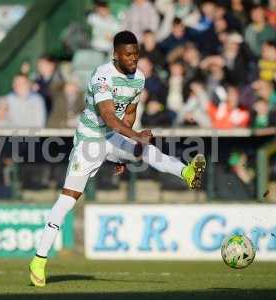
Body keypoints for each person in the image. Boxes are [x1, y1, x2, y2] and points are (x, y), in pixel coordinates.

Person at [28, 30, 206, 287]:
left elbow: (129, 113)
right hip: (90, 140)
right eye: (128, 54)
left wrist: (126, 148)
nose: (134, 58)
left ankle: (187, 173)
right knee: (67, 201)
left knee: (146, 151)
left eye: (136, 53)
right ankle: (39, 260)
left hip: (113, 137)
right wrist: (135, 136)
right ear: (116, 54)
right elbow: (109, 117)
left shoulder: (139, 78)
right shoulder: (102, 76)